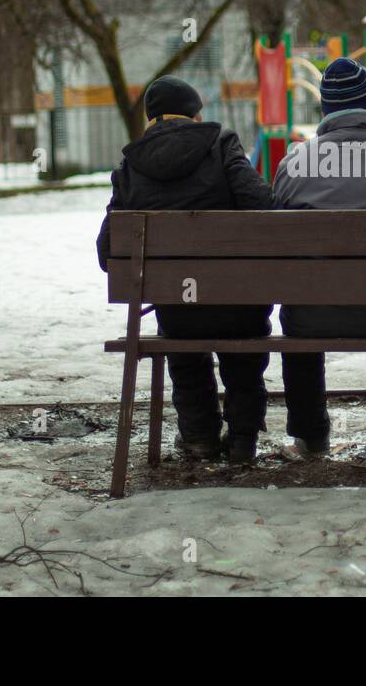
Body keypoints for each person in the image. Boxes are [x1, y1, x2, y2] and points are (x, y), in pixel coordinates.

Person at [95, 75, 274, 463]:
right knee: (243, 331)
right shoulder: (221, 144)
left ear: (152, 119)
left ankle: (199, 438)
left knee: (179, 327)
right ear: (194, 114)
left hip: (179, 308)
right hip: (238, 304)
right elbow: (263, 208)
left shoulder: (131, 165)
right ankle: (242, 438)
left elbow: (108, 250)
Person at [273, 57, 366, 456]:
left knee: (300, 308)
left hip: (311, 314)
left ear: (324, 110)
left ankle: (310, 432)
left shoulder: (294, 163)